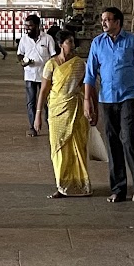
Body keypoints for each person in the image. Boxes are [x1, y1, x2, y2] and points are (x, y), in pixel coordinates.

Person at [83, 6, 134, 203]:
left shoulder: (131, 42)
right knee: (112, 143)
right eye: (102, 19)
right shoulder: (97, 43)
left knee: (129, 139)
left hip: (128, 97)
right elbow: (90, 75)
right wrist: (88, 102)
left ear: (117, 22)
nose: (103, 22)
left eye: (107, 19)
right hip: (106, 99)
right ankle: (118, 188)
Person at [33, 26, 89, 198]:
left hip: (75, 109)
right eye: (68, 42)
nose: (72, 44)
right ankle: (62, 184)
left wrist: (89, 106)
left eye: (72, 41)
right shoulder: (51, 64)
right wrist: (38, 114)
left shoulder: (80, 64)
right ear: (60, 44)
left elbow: (87, 86)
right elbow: (43, 90)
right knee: (58, 148)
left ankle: (80, 184)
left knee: (77, 148)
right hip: (56, 110)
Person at [16, 13, 56, 136]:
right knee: (31, 101)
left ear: (38, 26)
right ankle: (33, 126)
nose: (27, 29)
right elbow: (20, 54)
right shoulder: (24, 39)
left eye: (30, 26)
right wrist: (23, 62)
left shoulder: (48, 39)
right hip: (30, 74)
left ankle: (50, 124)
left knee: (47, 101)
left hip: (45, 75)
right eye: (26, 26)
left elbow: (53, 56)